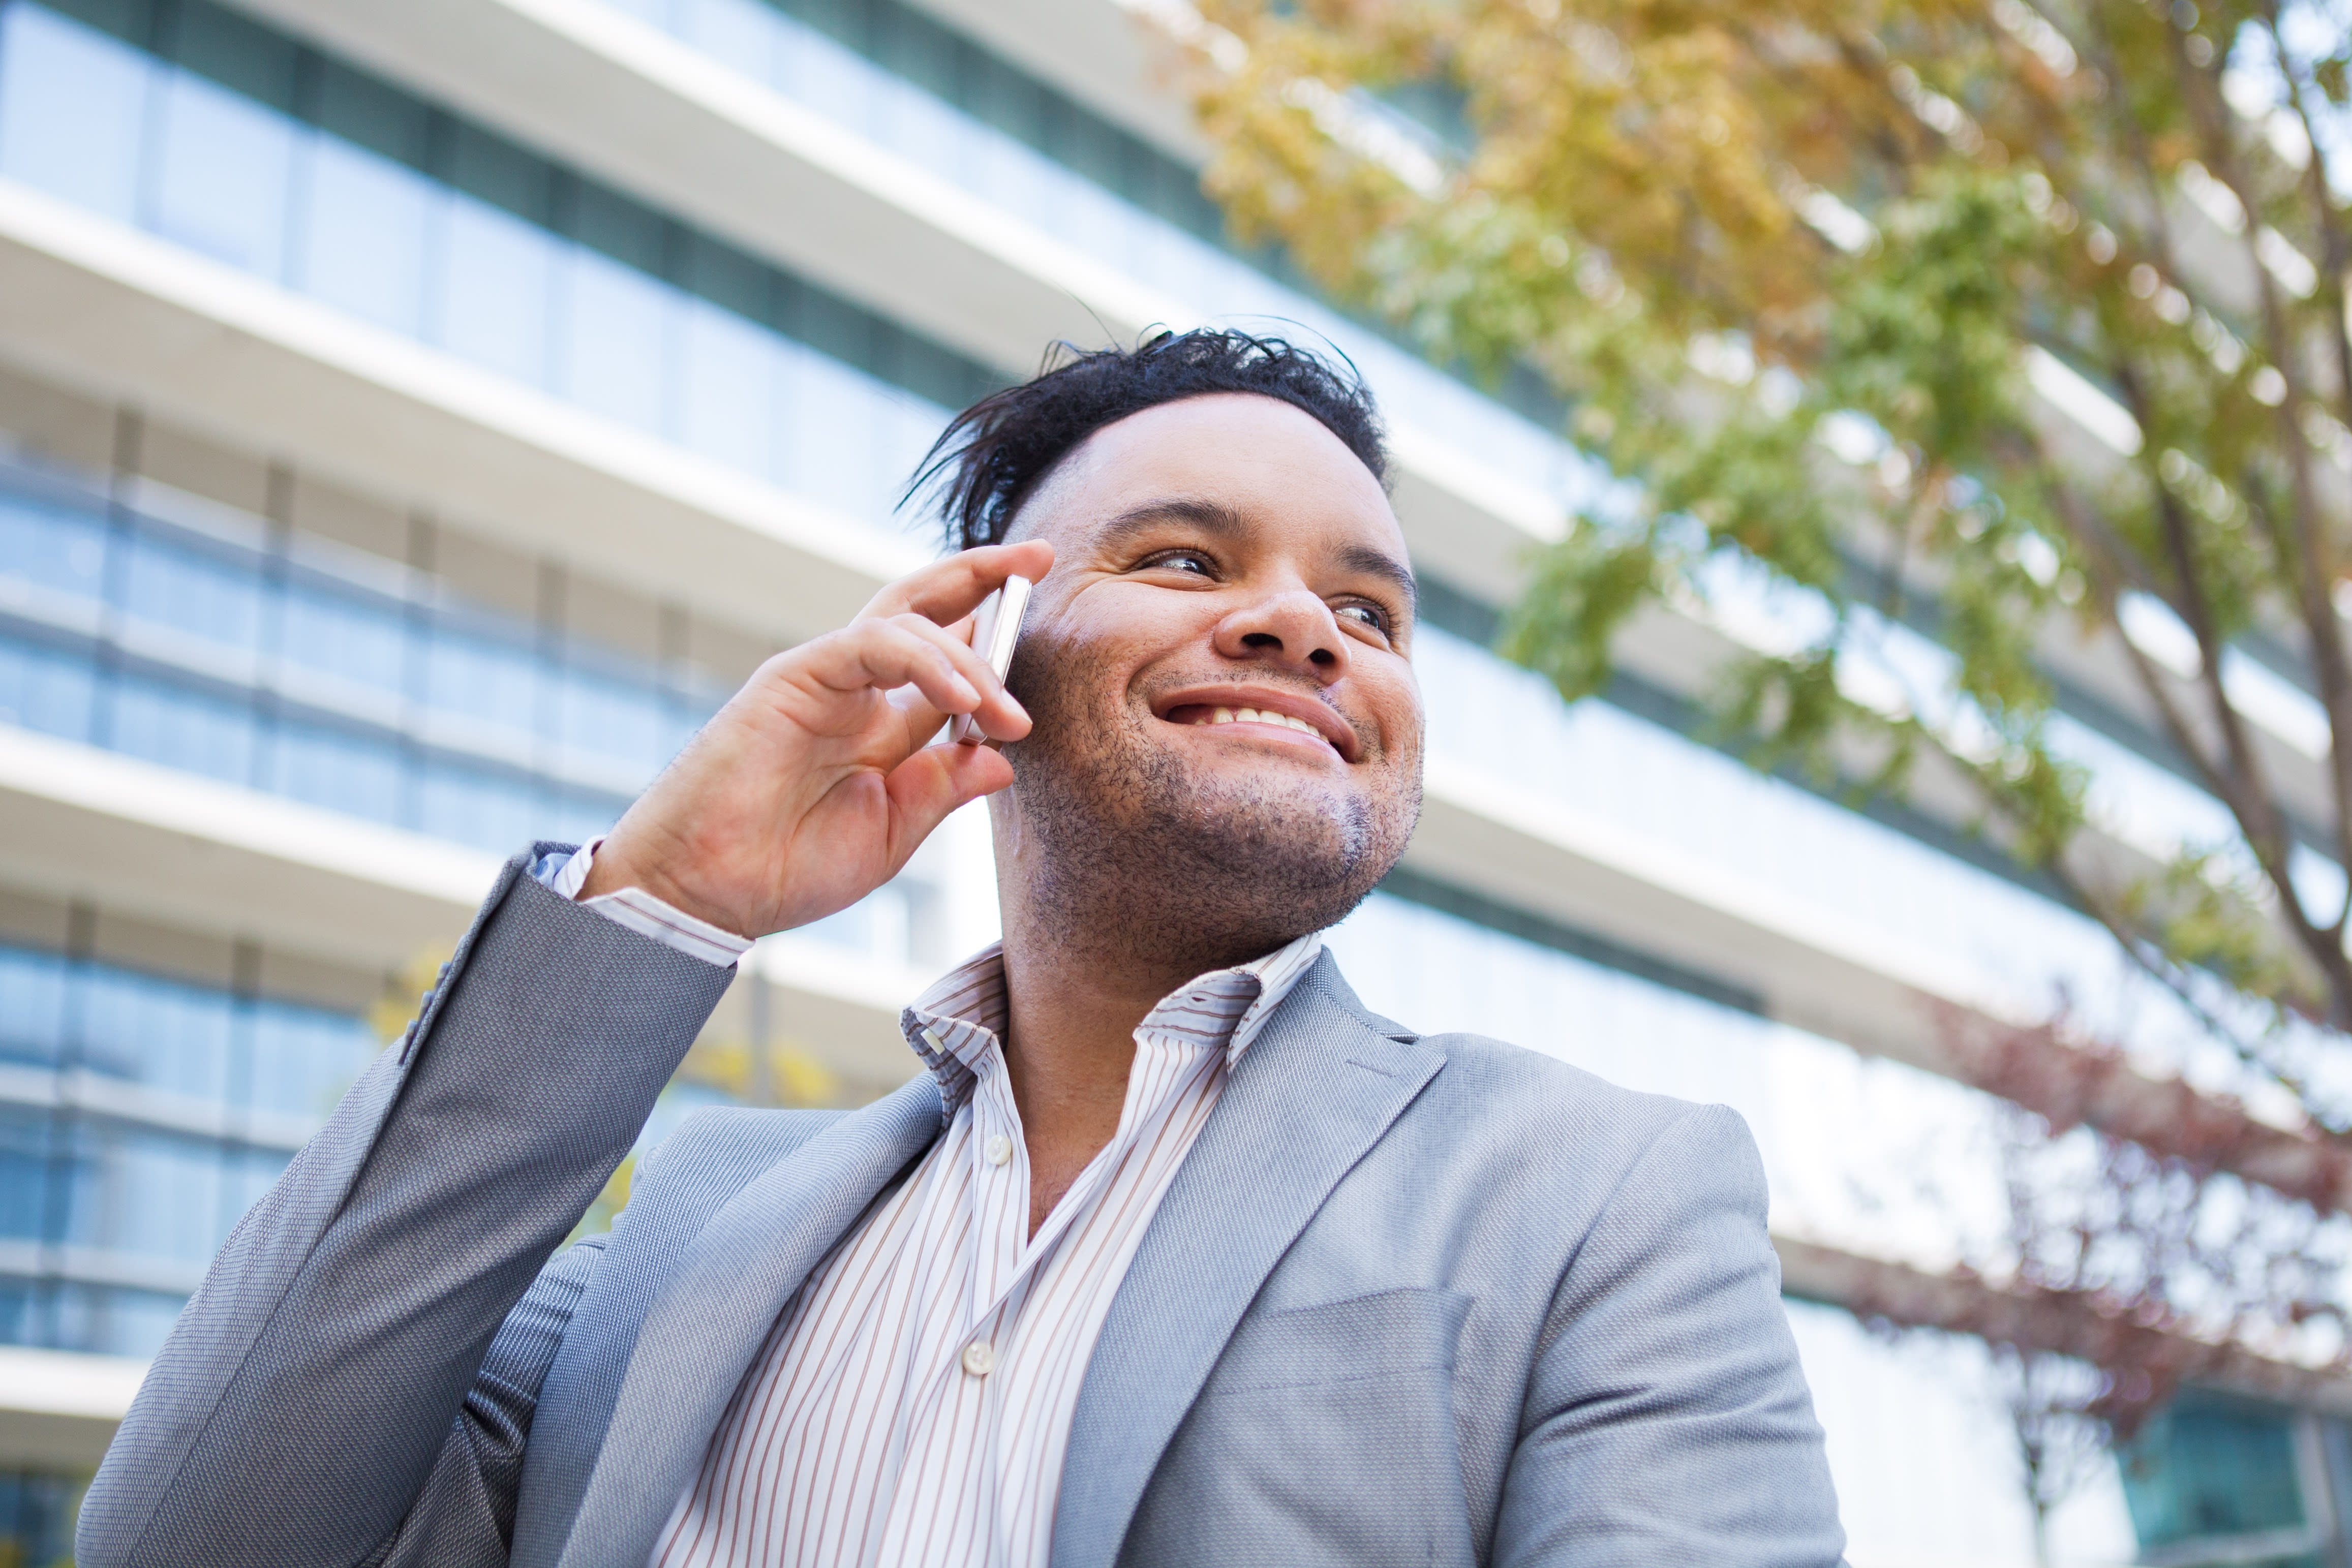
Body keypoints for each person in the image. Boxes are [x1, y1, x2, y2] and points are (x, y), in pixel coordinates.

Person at [77, 330, 1845, 1567]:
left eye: (1366, 609)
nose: (1304, 627)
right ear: (982, 648)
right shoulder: (680, 1230)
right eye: (1184, 557)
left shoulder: (1603, 1192)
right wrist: (662, 894)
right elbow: (193, 1538)